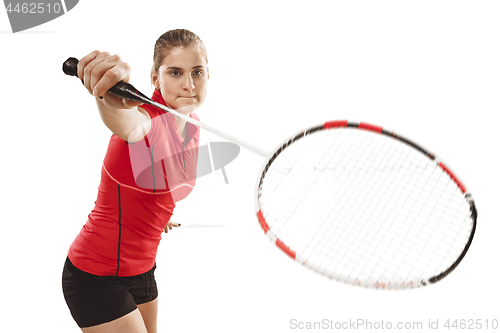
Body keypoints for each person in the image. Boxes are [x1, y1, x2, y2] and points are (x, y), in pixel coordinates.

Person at [62, 29, 209, 333]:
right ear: (155, 78)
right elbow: (125, 121)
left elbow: (160, 183)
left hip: (142, 268)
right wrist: (106, 96)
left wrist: (157, 216)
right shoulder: (145, 120)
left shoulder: (191, 123)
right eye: (175, 72)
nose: (189, 84)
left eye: (197, 72)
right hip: (96, 274)